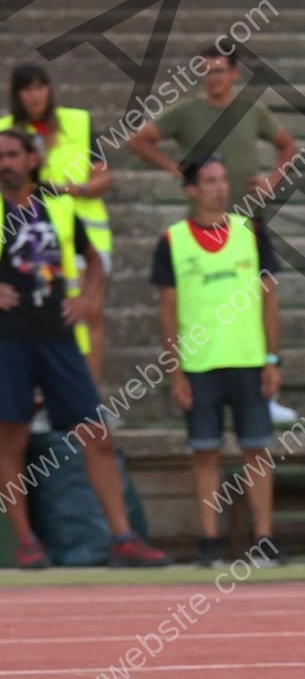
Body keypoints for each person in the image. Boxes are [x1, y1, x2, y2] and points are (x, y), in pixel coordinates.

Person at [0, 130, 167, 570]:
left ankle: (122, 536)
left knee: (97, 434)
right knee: (10, 440)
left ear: (31, 159)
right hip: (9, 339)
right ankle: (26, 541)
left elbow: (93, 258)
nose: (6, 163)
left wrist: (90, 297)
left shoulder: (56, 204)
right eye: (0, 157)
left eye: (13, 155)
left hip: (58, 336)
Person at [128, 37, 300, 425]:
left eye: (219, 70)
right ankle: (196, 382)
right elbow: (139, 139)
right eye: (205, 71)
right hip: (202, 226)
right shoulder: (186, 112)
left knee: (260, 302)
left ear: (235, 73)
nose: (212, 77)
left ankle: (267, 390)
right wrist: (176, 169)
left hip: (248, 222)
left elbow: (287, 145)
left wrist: (272, 180)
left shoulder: (251, 111)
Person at [150, 154, 287, 569]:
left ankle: (264, 540)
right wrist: (175, 370)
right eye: (209, 181)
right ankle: (209, 542)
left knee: (257, 450)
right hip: (199, 365)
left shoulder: (252, 231)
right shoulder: (173, 240)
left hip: (248, 359)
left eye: (223, 180)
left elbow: (270, 302)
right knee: (205, 453)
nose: (219, 188)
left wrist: (272, 358)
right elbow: (167, 311)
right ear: (191, 189)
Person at [0, 62, 112, 385]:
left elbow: (103, 177)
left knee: (87, 310)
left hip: (81, 232)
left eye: (40, 86)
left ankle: (89, 396)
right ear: (16, 94)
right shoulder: (5, 129)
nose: (35, 96)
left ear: (50, 89)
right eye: (27, 88)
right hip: (25, 229)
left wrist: (70, 190)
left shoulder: (77, 122)